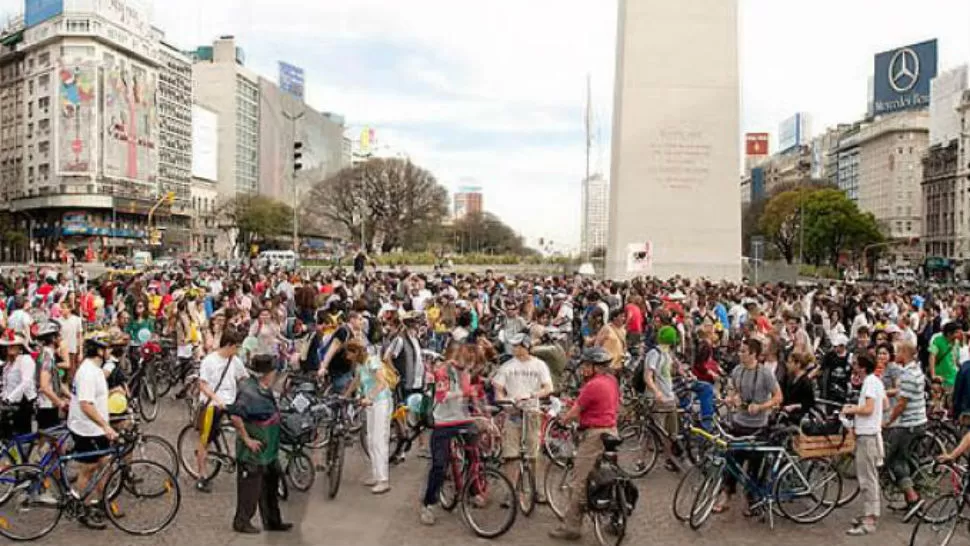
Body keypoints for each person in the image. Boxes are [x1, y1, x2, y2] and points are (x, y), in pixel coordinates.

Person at [548, 347, 620, 541]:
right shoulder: (612, 381)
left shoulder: (593, 385)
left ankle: (571, 527)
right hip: (611, 431)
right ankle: (617, 517)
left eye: (587, 365)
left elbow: (575, 411)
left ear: (596, 367)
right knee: (608, 476)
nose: (583, 369)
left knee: (579, 481)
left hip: (594, 435)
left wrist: (562, 420)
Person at [714, 337, 782, 515]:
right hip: (738, 423)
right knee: (731, 462)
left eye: (744, 351)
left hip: (758, 427)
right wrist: (731, 398)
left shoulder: (766, 374)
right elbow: (732, 389)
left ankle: (751, 500)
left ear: (754, 354)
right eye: (740, 351)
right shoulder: (737, 370)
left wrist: (761, 407)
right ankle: (726, 496)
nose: (740, 354)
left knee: (754, 466)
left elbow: (778, 397)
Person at [227, 354, 291, 534]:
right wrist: (247, 439)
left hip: (268, 449)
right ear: (267, 373)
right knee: (250, 487)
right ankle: (242, 521)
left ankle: (273, 520)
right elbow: (235, 415)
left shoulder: (262, 387)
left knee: (271, 483)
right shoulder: (248, 391)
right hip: (253, 451)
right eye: (274, 371)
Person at [420, 337, 479, 526]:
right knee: (439, 464)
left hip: (462, 418)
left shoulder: (465, 371)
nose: (467, 362)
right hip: (443, 422)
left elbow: (470, 393)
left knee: (476, 455)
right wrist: (466, 393)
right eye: (464, 357)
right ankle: (429, 504)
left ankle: (473, 489)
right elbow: (442, 396)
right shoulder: (442, 371)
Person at [67, 333, 118, 530]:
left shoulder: (94, 369)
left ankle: (101, 501)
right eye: (106, 349)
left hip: (95, 428)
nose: (109, 352)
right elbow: (86, 404)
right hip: (88, 430)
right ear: (99, 351)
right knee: (87, 470)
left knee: (105, 464)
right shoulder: (88, 372)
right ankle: (83, 509)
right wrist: (105, 426)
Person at [491, 332, 553, 492]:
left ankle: (535, 490)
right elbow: (498, 389)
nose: (514, 348)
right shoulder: (507, 366)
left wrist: (533, 395)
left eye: (517, 345)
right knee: (511, 454)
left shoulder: (539, 365)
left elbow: (548, 387)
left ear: (526, 347)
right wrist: (505, 403)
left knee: (533, 453)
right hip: (512, 414)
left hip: (532, 412)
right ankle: (511, 492)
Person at [195, 328, 248, 493]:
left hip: (230, 402)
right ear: (229, 345)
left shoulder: (234, 360)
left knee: (242, 423)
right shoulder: (209, 361)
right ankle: (201, 476)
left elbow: (243, 378)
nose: (238, 350)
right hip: (213, 405)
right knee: (205, 441)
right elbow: (202, 384)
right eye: (236, 347)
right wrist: (217, 400)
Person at [883, 341, 927, 522]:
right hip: (920, 421)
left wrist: (889, 421)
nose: (895, 354)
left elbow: (902, 404)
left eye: (897, 351)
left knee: (894, 461)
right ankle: (911, 497)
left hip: (909, 424)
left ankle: (913, 497)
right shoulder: (915, 370)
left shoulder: (908, 374)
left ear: (904, 353)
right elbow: (902, 393)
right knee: (909, 460)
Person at [844, 353, 887, 536]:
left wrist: (852, 409)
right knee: (869, 476)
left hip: (867, 436)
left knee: (867, 478)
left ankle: (870, 519)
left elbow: (869, 408)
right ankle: (869, 514)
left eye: (855, 364)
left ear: (862, 367)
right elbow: (884, 404)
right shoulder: (875, 381)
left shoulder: (869, 383)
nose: (853, 367)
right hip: (871, 433)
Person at [352, 340, 392, 494]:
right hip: (370, 405)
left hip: (381, 402)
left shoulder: (372, 361)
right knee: (370, 440)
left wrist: (370, 397)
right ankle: (376, 474)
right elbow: (356, 382)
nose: (349, 358)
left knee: (379, 440)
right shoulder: (361, 365)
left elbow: (382, 383)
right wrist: (346, 395)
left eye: (350, 354)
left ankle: (383, 479)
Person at [644, 325, 681, 471]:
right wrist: (656, 392)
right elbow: (648, 376)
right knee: (658, 430)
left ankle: (668, 457)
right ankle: (646, 458)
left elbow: (669, 372)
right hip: (659, 398)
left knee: (670, 431)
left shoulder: (667, 353)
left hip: (668, 396)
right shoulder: (654, 354)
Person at [1, 332, 36, 437]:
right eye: (8, 346)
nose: (9, 348)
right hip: (10, 403)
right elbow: (7, 383)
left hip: (22, 402)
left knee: (21, 434)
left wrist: (10, 398)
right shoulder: (8, 363)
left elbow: (26, 381)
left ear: (20, 347)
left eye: (13, 346)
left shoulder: (25, 360)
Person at [35, 322, 69, 431]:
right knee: (47, 441)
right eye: (59, 336)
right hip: (46, 405)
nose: (61, 338)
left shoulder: (48, 355)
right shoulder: (47, 357)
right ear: (53, 338)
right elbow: (44, 386)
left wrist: (71, 396)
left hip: (50, 404)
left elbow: (56, 380)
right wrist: (60, 403)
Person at [781, 351, 816, 423]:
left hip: (799, 416)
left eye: (790, 363)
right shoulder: (789, 378)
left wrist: (794, 406)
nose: (788, 365)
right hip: (786, 413)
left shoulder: (805, 382)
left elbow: (809, 403)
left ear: (798, 364)